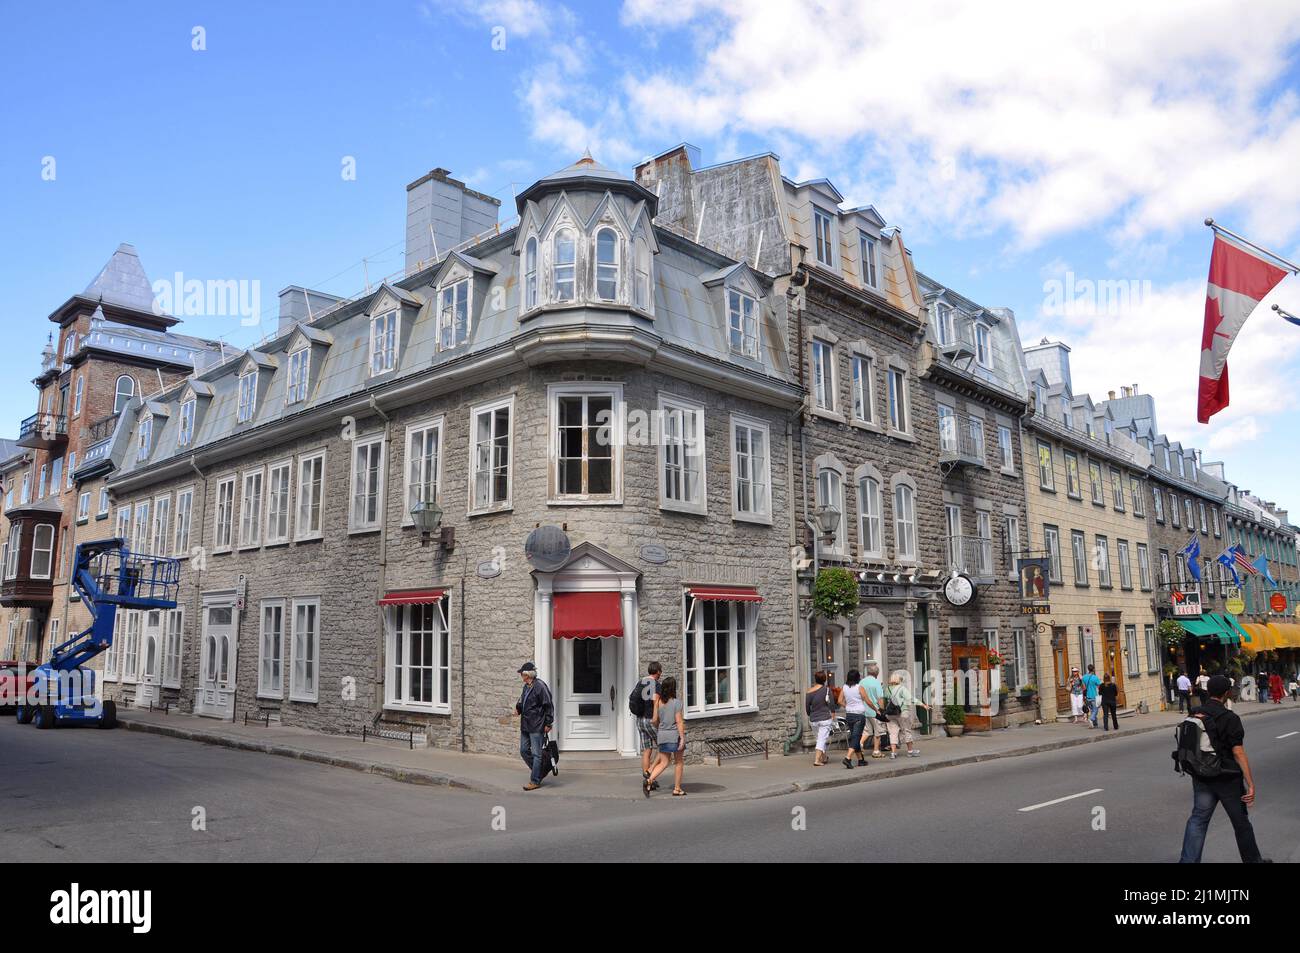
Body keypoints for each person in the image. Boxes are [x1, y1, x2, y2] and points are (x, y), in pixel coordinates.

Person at [1179, 675, 1271, 863]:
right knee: (1241, 823)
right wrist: (1250, 783)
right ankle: (1253, 861)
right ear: (1227, 693)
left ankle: (1187, 861)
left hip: (1202, 775)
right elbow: (1238, 752)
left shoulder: (1195, 713)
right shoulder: (1230, 718)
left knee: (1198, 820)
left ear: (1209, 691)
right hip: (1227, 778)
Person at [645, 676, 686, 797]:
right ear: (674, 688)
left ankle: (649, 780)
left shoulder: (658, 702)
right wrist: (682, 737)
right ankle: (677, 789)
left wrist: (661, 728)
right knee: (679, 762)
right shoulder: (677, 703)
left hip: (662, 734)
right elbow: (679, 721)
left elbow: (655, 720)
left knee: (664, 762)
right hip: (674, 736)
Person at [515, 662, 553, 791]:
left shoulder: (540, 686)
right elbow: (522, 701)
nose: (520, 675)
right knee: (523, 750)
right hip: (525, 724)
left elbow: (548, 705)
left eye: (522, 673)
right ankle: (540, 771)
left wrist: (548, 723)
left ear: (527, 674)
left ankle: (535, 780)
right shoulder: (526, 687)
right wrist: (518, 709)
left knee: (537, 754)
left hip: (537, 725)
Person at [884, 672, 929, 759]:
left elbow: (885, 700)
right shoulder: (902, 688)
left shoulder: (887, 689)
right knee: (906, 731)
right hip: (902, 712)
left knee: (892, 733)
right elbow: (910, 698)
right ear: (899, 680)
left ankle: (893, 753)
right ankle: (910, 751)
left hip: (890, 714)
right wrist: (923, 705)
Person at [634, 661, 663, 790]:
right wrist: (656, 720)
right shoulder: (656, 685)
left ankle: (648, 779)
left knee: (647, 750)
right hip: (650, 720)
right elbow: (655, 702)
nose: (660, 674)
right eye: (660, 671)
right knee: (663, 747)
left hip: (639, 720)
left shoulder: (641, 682)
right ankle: (650, 774)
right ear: (657, 672)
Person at [840, 669, 870, 769]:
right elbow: (867, 700)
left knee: (855, 736)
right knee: (856, 737)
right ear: (857, 678)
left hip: (849, 715)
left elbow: (839, 701)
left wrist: (847, 706)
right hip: (859, 715)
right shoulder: (859, 687)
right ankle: (847, 758)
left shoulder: (844, 687)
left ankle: (861, 760)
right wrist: (876, 709)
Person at [806, 671, 837, 766]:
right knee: (821, 740)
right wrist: (833, 714)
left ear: (815, 679)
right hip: (825, 718)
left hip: (813, 719)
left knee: (819, 738)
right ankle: (817, 760)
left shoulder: (809, 692)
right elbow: (832, 705)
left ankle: (824, 757)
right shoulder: (827, 690)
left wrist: (810, 715)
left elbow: (807, 708)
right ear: (825, 679)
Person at [862, 663, 888, 758]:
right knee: (878, 731)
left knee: (866, 731)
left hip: (864, 710)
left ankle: (860, 744)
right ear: (877, 673)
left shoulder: (862, 682)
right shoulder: (876, 683)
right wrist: (882, 710)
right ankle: (876, 751)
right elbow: (880, 698)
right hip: (875, 711)